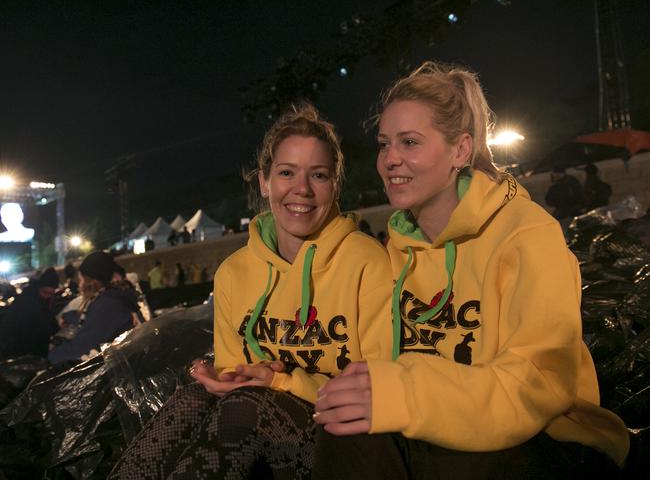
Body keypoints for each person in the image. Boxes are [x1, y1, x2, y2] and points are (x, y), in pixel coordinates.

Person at [312, 62, 629, 478]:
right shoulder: (395, 252)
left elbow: (536, 385)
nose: (390, 159)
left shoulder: (526, 234)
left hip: (546, 438)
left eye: (409, 142)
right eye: (384, 143)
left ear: (460, 151)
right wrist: (274, 376)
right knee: (343, 429)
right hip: (432, 431)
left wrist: (408, 393)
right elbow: (365, 363)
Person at [109, 103, 392, 479]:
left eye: (319, 175)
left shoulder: (367, 262)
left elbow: (378, 383)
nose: (302, 189)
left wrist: (281, 381)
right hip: (255, 418)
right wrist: (223, 377)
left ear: (335, 183)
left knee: (248, 405)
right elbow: (234, 367)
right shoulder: (234, 272)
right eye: (287, 172)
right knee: (192, 398)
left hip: (340, 431)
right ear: (264, 181)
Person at [48, 251, 143, 364]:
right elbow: (91, 320)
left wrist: (52, 354)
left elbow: (83, 348)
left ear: (90, 282)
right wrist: (68, 317)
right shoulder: (112, 298)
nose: (79, 285)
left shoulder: (108, 305)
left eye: (81, 279)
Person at [0, 267, 59, 359]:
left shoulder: (46, 302)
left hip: (38, 352)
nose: (47, 296)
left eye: (50, 294)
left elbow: (49, 320)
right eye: (45, 292)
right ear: (39, 288)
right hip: (20, 351)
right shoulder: (25, 301)